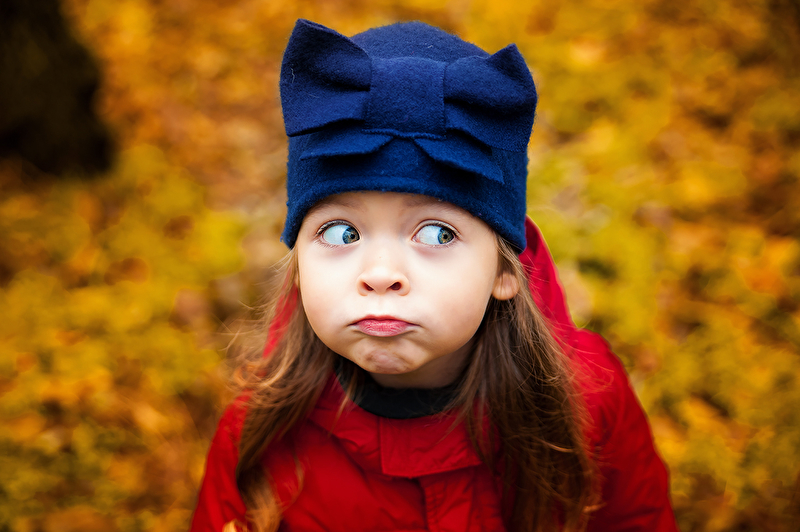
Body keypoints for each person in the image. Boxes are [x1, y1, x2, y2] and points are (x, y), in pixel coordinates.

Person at [190, 19, 679, 532]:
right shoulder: (258, 428)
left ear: (504, 271)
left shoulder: (589, 400)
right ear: (298, 268)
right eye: (341, 232)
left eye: (437, 233)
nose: (381, 274)